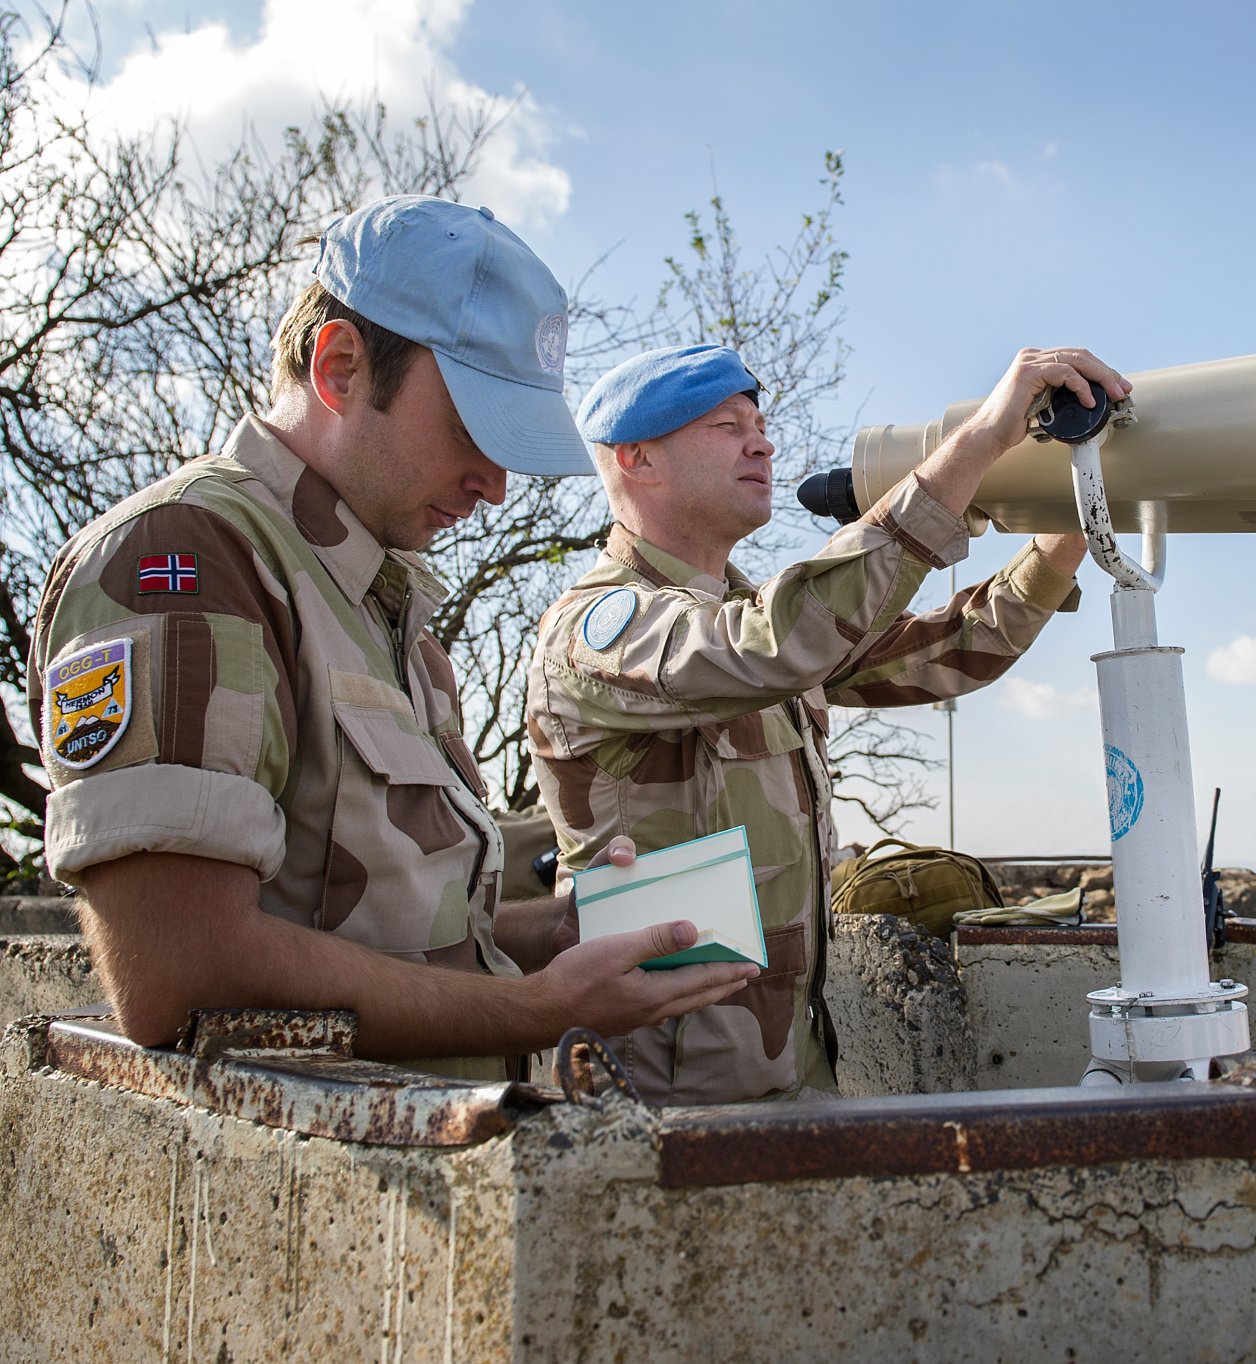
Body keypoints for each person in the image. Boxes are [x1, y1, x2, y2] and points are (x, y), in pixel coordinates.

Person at [29, 197, 758, 1079]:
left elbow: (407, 942)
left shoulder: (380, 597)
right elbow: (181, 973)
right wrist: (538, 1010)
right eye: (469, 431)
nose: (493, 484)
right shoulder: (188, 558)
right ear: (339, 367)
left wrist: (563, 934)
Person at [526, 343, 1127, 1104]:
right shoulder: (596, 630)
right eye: (725, 425)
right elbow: (775, 644)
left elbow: (950, 652)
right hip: (659, 1098)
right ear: (638, 460)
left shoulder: (752, 627)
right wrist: (974, 443)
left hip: (791, 1072)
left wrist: (1065, 536)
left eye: (761, 423)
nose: (762, 441)